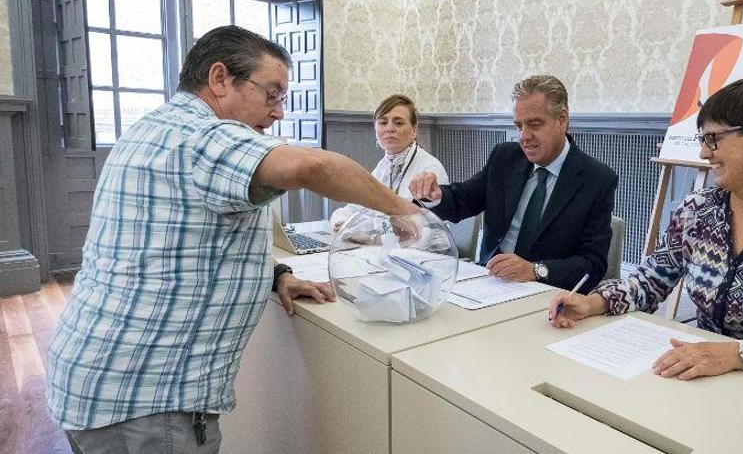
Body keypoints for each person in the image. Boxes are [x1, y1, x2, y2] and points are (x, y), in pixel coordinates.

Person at [45, 25, 419, 453]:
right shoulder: (206, 136)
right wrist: (406, 211)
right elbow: (315, 168)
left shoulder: (154, 127)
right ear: (220, 79)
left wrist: (275, 273)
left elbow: (179, 243)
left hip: (98, 380)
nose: (278, 112)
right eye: (272, 94)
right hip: (148, 402)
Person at [549, 78, 743, 379]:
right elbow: (650, 280)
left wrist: (739, 353)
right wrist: (592, 302)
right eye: (703, 141)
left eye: (713, 139)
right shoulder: (697, 211)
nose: (704, 154)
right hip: (701, 375)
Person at [409, 75, 618, 290]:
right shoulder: (505, 157)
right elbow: (464, 199)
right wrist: (435, 195)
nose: (524, 136)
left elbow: (593, 264)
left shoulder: (597, 179)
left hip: (546, 294)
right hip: (489, 282)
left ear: (562, 119)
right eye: (519, 126)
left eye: (534, 124)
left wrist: (535, 270)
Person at [329, 94, 449, 231]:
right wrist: (343, 225)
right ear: (375, 129)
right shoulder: (383, 167)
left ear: (414, 130)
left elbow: (426, 229)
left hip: (421, 250)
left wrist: (367, 234)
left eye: (398, 123)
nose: (389, 128)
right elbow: (353, 209)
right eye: (383, 122)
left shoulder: (429, 169)